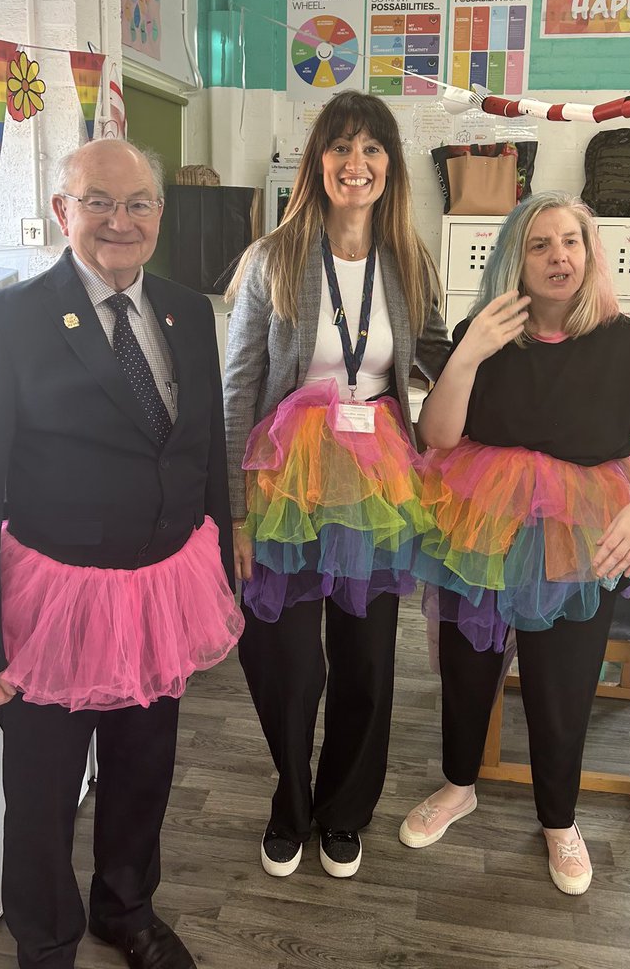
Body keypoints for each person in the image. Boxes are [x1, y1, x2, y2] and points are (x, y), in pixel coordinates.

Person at [0, 140, 243, 969]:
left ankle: (125, 906)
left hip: (161, 592)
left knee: (145, 773)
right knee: (40, 793)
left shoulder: (186, 310)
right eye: (98, 201)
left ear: (160, 215)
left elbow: (204, 450)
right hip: (52, 603)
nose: (120, 220)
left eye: (139, 203)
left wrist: (220, 574)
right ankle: (45, 939)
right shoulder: (6, 320)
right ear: (63, 211)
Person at [399, 191, 630, 895]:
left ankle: (559, 820)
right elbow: (439, 435)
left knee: (563, 683)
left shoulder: (625, 343)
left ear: (589, 255)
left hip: (580, 534)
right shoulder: (487, 330)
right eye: (540, 244)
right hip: (482, 525)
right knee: (466, 665)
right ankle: (458, 785)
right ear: (517, 259)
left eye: (571, 242)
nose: (559, 256)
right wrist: (468, 351)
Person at [223, 90, 450, 879]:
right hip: (284, 479)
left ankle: (345, 808)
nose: (357, 163)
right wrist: (237, 515)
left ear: (391, 167)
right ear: (318, 161)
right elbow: (236, 389)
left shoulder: (410, 262)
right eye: (341, 147)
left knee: (367, 660)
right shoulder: (272, 257)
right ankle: (290, 801)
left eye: (373, 149)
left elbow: (431, 368)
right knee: (287, 663)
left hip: (377, 480)